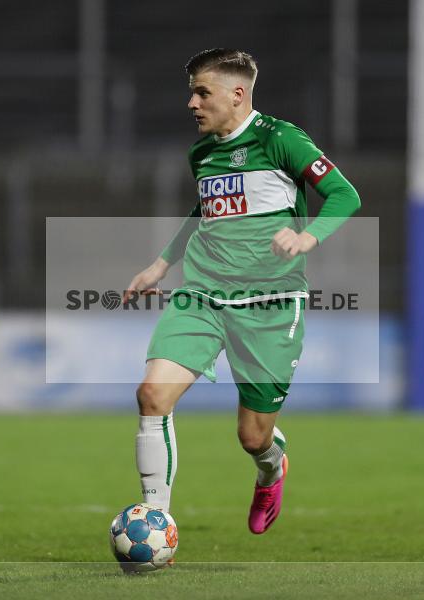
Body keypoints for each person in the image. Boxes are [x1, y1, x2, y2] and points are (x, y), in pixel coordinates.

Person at [125, 49, 361, 534]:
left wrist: (306, 236)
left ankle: (271, 466)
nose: (192, 102)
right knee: (152, 395)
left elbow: (345, 195)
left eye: (201, 92)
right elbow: (204, 213)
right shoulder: (202, 152)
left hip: (270, 305)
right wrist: (161, 264)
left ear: (237, 94)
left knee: (253, 436)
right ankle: (156, 520)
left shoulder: (281, 139)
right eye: (191, 92)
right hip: (204, 294)